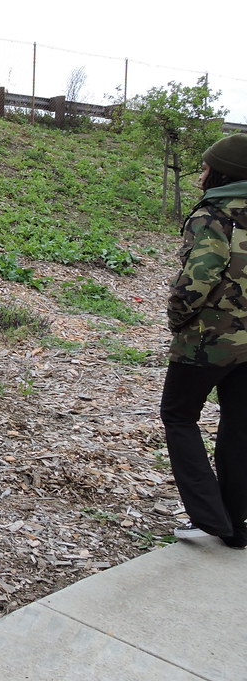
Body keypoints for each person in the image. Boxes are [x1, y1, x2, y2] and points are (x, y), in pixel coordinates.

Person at [161, 133, 247, 549]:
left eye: (206, 166)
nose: (201, 173)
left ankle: (209, 516)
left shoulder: (215, 215)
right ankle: (238, 525)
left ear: (222, 172)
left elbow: (198, 280)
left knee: (178, 417)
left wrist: (176, 318)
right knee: (239, 427)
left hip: (207, 341)